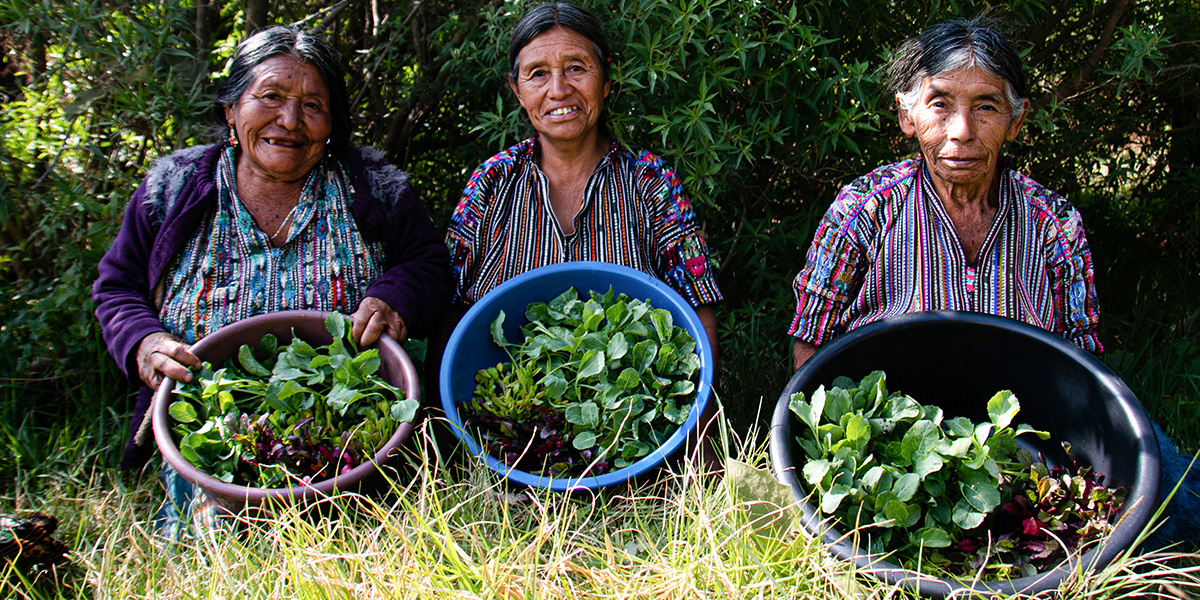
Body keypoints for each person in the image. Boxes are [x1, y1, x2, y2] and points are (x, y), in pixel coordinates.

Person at [787, 17, 1198, 548]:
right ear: (907, 116)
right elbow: (810, 343)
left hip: (1023, 445)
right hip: (893, 446)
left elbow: (1085, 363)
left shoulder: (1053, 222)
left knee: (1162, 477)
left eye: (986, 106)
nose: (961, 131)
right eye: (939, 104)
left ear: (1016, 119)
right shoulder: (863, 210)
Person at [93, 25, 450, 536]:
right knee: (220, 552)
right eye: (271, 96)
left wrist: (394, 298)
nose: (290, 120)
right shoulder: (174, 188)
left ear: (331, 123)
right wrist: (145, 342)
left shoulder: (372, 186)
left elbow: (427, 263)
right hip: (211, 440)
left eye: (312, 105)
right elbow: (117, 286)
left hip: (351, 439)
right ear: (231, 109)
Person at [437, 1, 724, 468]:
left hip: (630, 424)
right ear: (516, 90)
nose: (558, 90)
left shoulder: (651, 180)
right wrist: (452, 440)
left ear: (606, 81)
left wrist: (697, 435)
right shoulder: (490, 182)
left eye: (577, 68)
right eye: (536, 74)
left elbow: (698, 306)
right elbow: (449, 308)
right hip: (512, 424)